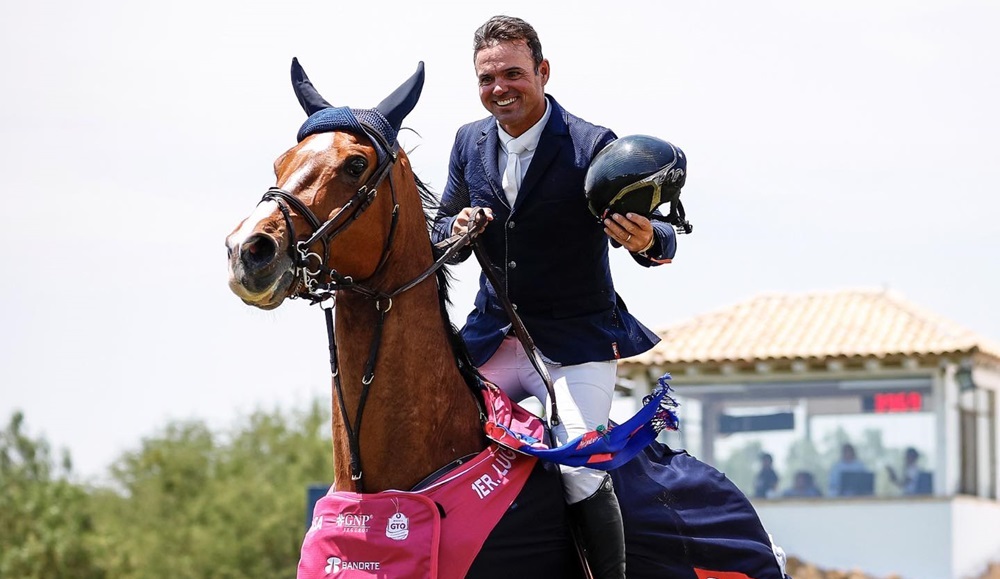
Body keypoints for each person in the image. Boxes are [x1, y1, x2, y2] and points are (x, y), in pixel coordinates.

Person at [431, 15, 679, 579]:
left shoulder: (593, 144)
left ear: (543, 71)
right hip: (493, 337)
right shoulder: (468, 141)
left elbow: (661, 234)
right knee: (436, 448)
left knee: (579, 467)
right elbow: (440, 226)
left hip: (574, 344)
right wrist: (454, 228)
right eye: (487, 79)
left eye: (513, 74)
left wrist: (647, 240)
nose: (500, 88)